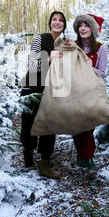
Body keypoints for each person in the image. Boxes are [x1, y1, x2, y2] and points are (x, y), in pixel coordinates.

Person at [20, 11, 67, 179]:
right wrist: (48, 57)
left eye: (61, 20)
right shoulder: (41, 39)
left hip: (52, 88)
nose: (57, 22)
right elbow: (32, 64)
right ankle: (28, 156)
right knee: (29, 123)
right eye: (54, 19)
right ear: (49, 23)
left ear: (64, 25)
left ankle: (45, 163)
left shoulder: (65, 43)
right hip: (32, 86)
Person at [72, 13, 108, 177]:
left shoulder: (100, 48)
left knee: (87, 127)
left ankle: (89, 159)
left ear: (92, 29)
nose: (83, 28)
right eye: (81, 25)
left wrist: (88, 66)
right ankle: (83, 156)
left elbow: (101, 73)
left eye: (87, 25)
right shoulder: (72, 46)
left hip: (92, 91)